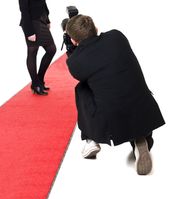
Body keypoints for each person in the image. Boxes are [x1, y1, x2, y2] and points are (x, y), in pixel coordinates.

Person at [65, 14, 165, 175]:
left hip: (113, 119)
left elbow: (80, 71)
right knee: (119, 83)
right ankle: (140, 140)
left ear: (74, 41)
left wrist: (72, 50)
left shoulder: (75, 62)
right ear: (95, 28)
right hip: (144, 109)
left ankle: (90, 139)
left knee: (82, 88)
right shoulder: (117, 37)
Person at [17, 0, 57, 95]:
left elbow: (42, 1)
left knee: (51, 49)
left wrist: (47, 18)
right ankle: (36, 84)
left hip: (41, 20)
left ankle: (39, 80)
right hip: (31, 23)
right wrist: (29, 32)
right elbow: (24, 9)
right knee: (32, 52)